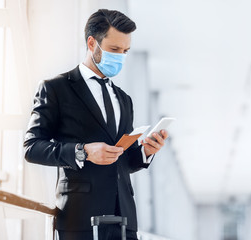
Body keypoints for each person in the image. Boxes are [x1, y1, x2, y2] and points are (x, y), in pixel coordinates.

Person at [24, 9, 168, 240]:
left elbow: (122, 161)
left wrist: (145, 152)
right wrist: (83, 152)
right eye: (114, 50)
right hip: (80, 218)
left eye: (125, 51)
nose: (120, 56)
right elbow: (32, 148)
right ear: (92, 43)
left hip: (124, 220)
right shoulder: (56, 88)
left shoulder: (124, 99)